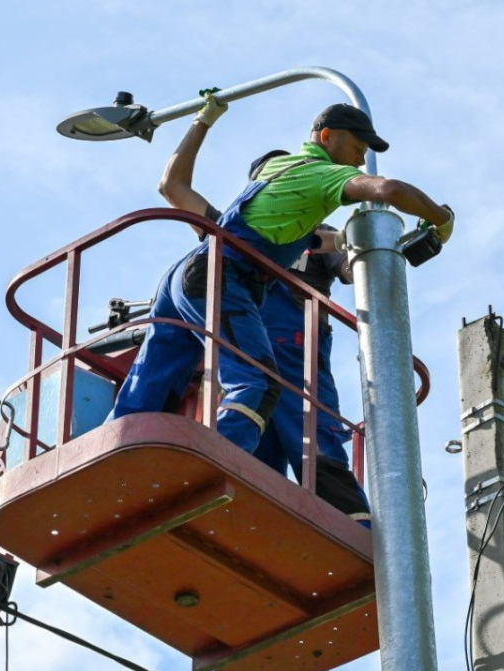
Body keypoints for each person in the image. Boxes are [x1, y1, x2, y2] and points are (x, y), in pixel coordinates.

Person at [107, 96, 454, 460]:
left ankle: (112, 453)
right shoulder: (321, 175)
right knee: (256, 382)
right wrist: (441, 219)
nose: (360, 159)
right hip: (224, 282)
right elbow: (390, 190)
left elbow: (322, 242)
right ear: (326, 137)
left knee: (153, 379)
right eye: (357, 147)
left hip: (186, 279)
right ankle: (211, 462)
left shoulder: (278, 191)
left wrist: (202, 120)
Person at [156, 97, 369, 522]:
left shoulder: (316, 235)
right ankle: (241, 502)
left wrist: (360, 240)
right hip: (252, 340)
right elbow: (173, 188)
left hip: (292, 347)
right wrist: (202, 121)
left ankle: (350, 526)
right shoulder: (237, 226)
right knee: (280, 440)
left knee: (309, 438)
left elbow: (349, 263)